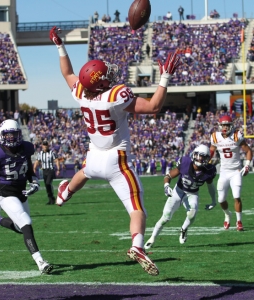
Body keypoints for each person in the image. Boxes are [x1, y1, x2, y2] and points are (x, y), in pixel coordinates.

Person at [49, 26, 181, 276]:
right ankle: (138, 246)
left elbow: (67, 72)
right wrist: (164, 78)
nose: (110, 73)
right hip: (116, 160)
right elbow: (154, 106)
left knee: (85, 172)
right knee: (138, 209)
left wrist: (59, 46)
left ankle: (65, 192)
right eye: (106, 73)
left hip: (94, 156)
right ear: (100, 83)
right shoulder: (115, 95)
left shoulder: (80, 91)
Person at [0, 119, 53, 274]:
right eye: (9, 134)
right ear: (2, 135)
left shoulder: (26, 148)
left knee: (21, 228)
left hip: (20, 192)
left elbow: (29, 171)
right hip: (5, 194)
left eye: (15, 134)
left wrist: (34, 182)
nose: (12, 137)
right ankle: (40, 261)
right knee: (26, 223)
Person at [144, 145, 217, 249]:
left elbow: (210, 186)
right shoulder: (185, 163)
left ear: (207, 159)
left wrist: (213, 200)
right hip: (178, 191)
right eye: (199, 155)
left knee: (192, 213)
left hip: (192, 193)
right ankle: (152, 238)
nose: (200, 158)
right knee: (165, 217)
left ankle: (184, 229)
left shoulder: (209, 170)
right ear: (194, 155)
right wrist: (166, 186)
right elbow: (168, 176)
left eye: (203, 157)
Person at [209, 115, 253, 231]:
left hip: (236, 171)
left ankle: (239, 221)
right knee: (221, 199)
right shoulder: (215, 137)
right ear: (220, 125)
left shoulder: (236, 135)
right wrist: (207, 162)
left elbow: (248, 151)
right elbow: (211, 152)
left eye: (227, 125)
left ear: (231, 125)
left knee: (237, 196)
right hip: (223, 171)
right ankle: (227, 215)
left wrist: (247, 165)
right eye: (223, 125)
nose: (225, 127)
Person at [33, 140, 60, 205]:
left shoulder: (51, 153)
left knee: (48, 183)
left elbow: (56, 161)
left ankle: (52, 198)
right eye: (44, 145)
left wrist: (58, 169)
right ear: (42, 146)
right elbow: (37, 161)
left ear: (48, 146)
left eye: (46, 145)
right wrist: (34, 168)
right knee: (46, 185)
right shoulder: (40, 154)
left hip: (50, 170)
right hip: (44, 170)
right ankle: (51, 199)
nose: (45, 146)